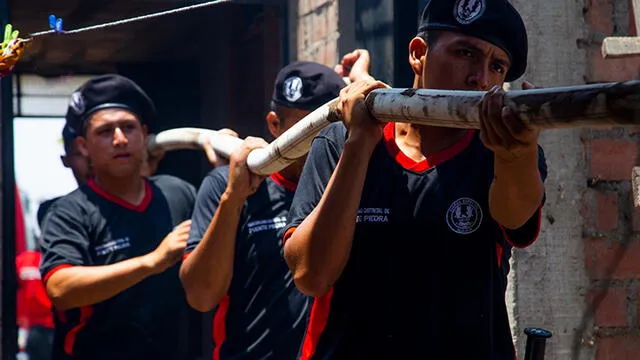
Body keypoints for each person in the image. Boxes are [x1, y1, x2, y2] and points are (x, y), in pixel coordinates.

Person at [281, 1, 548, 359]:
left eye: (496, 66)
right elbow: (310, 275)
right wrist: (360, 144)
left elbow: (515, 216)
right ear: (419, 54)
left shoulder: (500, 153)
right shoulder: (340, 142)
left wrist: (518, 153)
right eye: (465, 53)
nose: (481, 79)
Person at [179, 51, 373, 359]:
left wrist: (360, 79)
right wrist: (233, 199)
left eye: (323, 128)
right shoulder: (228, 184)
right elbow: (202, 295)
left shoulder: (354, 181)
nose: (316, 142)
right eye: (300, 130)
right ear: (273, 124)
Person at [39, 74, 202, 360]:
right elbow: (60, 288)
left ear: (144, 135)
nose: (119, 139)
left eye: (128, 127)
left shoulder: (178, 192)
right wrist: (152, 262)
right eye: (105, 131)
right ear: (83, 146)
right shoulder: (69, 212)